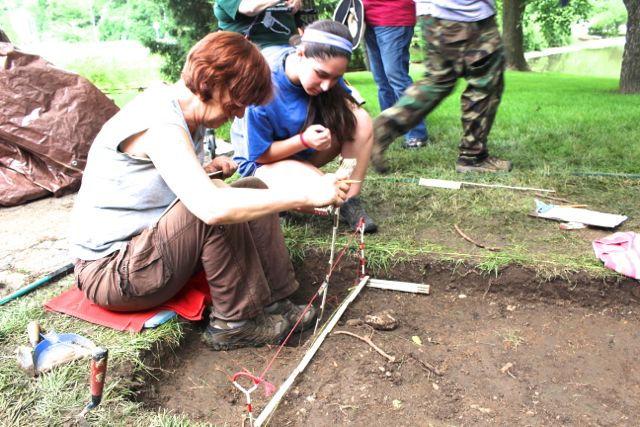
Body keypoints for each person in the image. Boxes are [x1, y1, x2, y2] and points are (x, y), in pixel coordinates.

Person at [69, 32, 352, 351]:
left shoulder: (189, 115)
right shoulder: (160, 122)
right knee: (213, 206)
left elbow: (165, 180)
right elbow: (210, 206)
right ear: (215, 83)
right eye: (238, 103)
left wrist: (207, 171)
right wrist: (304, 195)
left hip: (143, 251)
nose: (241, 114)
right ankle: (235, 324)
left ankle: (274, 300)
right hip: (113, 273)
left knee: (252, 186)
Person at [230, 20, 378, 233]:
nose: (327, 85)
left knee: (361, 121)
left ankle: (350, 203)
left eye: (335, 78)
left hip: (302, 152)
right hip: (262, 166)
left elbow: (352, 115)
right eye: (322, 75)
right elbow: (260, 155)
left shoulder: (325, 74)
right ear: (300, 55)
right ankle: (278, 200)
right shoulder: (263, 85)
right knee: (326, 193)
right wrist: (303, 141)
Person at [370, 0, 512, 174]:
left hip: (433, 15)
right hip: (468, 12)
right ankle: (473, 156)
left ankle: (383, 128)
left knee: (438, 81)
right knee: (486, 83)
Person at [362, 0, 428, 149]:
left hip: (394, 16)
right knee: (381, 80)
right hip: (367, 17)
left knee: (396, 77)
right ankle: (387, 129)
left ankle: (416, 133)